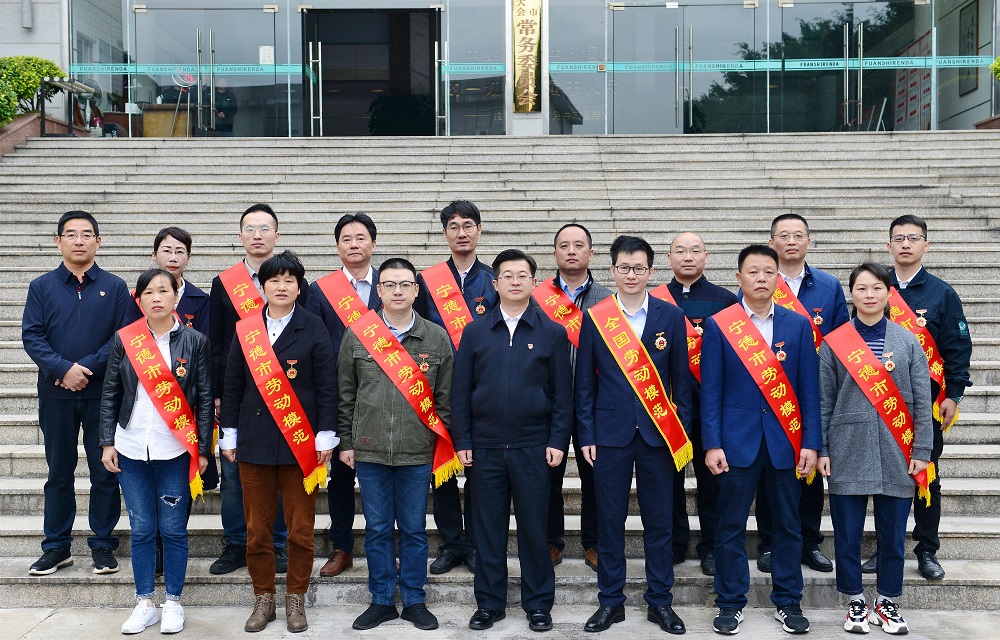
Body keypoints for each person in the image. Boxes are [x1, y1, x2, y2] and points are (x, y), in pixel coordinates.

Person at [701, 244, 820, 635]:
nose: (762, 279)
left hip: (785, 441)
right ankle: (730, 602)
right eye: (753, 272)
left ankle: (788, 601)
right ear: (739, 278)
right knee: (730, 525)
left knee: (788, 524)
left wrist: (811, 443)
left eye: (769, 272)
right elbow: (711, 390)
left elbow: (809, 391)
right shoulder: (721, 325)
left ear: (778, 279)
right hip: (736, 443)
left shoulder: (797, 325)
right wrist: (712, 443)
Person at [576, 235, 693, 635]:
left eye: (639, 268)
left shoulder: (670, 316)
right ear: (612, 270)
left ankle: (660, 601)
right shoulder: (597, 317)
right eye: (624, 268)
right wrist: (586, 433)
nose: (631, 275)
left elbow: (682, 382)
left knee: (660, 522)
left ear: (651, 271)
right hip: (609, 435)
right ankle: (611, 601)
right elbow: (584, 383)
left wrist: (682, 433)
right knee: (610, 521)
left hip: (659, 436)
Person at [452, 249, 572, 633]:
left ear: (535, 282)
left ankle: (538, 604)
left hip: (533, 447)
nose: (515, 281)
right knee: (488, 532)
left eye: (523, 275)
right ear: (495, 283)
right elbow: (460, 392)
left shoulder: (552, 333)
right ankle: (489, 604)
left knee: (535, 531)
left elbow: (562, 396)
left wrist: (558, 440)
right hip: (485, 449)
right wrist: (463, 440)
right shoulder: (475, 332)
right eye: (508, 275)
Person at [219, 250, 336, 633]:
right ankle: (264, 597)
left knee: (300, 530)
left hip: (300, 445)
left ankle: (295, 598)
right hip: (254, 444)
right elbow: (233, 385)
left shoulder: (312, 326)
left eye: (289, 280)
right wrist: (229, 432)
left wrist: (325, 433)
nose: (282, 286)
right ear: (262, 286)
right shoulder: (247, 329)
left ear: (299, 287)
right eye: (274, 280)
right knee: (257, 530)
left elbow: (327, 386)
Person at [337, 257, 456, 632]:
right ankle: (382, 600)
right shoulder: (358, 334)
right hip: (369, 449)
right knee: (376, 529)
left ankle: (415, 599)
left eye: (405, 284)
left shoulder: (435, 337)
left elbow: (445, 400)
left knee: (414, 529)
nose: (398, 291)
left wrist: (439, 443)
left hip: (417, 451)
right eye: (390, 284)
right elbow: (346, 395)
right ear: (379, 290)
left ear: (416, 290)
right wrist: (346, 441)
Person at [818, 262, 932, 635]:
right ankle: (854, 600)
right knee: (847, 535)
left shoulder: (907, 340)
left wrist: (922, 450)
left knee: (893, 537)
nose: (869, 295)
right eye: (862, 288)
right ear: (851, 294)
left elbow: (921, 401)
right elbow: (823, 401)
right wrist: (822, 449)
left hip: (898, 449)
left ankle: (887, 601)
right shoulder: (835, 342)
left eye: (877, 288)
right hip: (847, 448)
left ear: (888, 293)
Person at [99, 269, 213, 634]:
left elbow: (205, 398)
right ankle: (145, 602)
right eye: (148, 292)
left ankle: (174, 602)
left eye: (164, 290)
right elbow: (111, 392)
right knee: (142, 528)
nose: (156, 297)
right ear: (139, 299)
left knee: (174, 529)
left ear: (176, 296)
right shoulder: (125, 338)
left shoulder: (195, 341)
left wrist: (203, 449)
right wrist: (107, 441)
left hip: (175, 449)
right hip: (131, 446)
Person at [22, 210, 131, 576]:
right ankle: (56, 547)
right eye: (71, 234)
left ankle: (103, 545)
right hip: (56, 395)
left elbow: (122, 337)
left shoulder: (115, 287)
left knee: (104, 472)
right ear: (59, 242)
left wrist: (83, 368)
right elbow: (32, 336)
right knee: (59, 472)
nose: (79, 241)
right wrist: (61, 369)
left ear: (98, 242)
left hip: (103, 395)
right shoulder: (41, 287)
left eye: (87, 234)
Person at [878, 214, 972, 581]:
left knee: (926, 474)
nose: (905, 244)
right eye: (899, 238)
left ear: (926, 245)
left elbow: (957, 347)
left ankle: (927, 549)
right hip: (882, 401)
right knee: (885, 476)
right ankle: (887, 547)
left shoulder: (941, 293)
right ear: (889, 245)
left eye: (913, 238)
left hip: (926, 404)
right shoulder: (876, 287)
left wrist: (954, 394)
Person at [755, 213, 849, 575]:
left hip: (814, 391)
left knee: (809, 467)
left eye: (798, 235)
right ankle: (769, 542)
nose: (791, 241)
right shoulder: (759, 280)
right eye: (783, 235)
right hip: (770, 390)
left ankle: (809, 542)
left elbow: (842, 340)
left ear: (809, 241)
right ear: (772, 242)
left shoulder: (828, 286)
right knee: (769, 469)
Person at [209, 203, 299, 575]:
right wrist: (217, 393)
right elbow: (216, 342)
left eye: (264, 229)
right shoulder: (224, 283)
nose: (257, 235)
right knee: (233, 476)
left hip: (283, 392)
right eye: (250, 228)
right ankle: (236, 543)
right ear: (240, 236)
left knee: (277, 473)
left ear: (277, 236)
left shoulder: (292, 279)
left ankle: (277, 543)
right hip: (239, 393)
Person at [414, 199, 499, 575]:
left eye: (468, 226)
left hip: (485, 389)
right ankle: (451, 542)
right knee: (443, 468)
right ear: (444, 233)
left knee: (481, 470)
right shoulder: (426, 281)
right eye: (453, 226)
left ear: (479, 230)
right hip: (438, 389)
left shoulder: (494, 279)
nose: (461, 233)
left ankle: (478, 542)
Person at [532, 223, 612, 571]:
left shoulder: (608, 299)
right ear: (554, 254)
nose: (571, 251)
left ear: (591, 253)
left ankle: (594, 543)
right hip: (546, 400)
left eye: (579, 245)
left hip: (592, 400)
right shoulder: (536, 298)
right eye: (564, 245)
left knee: (596, 474)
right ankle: (551, 541)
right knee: (546, 474)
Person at [307, 213, 382, 578]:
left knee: (382, 475)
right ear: (337, 246)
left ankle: (384, 546)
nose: (354, 244)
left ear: (373, 244)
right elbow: (315, 344)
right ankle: (342, 547)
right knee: (339, 477)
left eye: (361, 238)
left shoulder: (393, 283)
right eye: (347, 239)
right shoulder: (320, 291)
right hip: (339, 398)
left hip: (385, 395)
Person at [659, 231, 738, 577]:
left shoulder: (726, 300)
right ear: (668, 259)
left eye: (695, 251)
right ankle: (674, 543)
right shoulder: (654, 300)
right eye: (680, 251)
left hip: (711, 408)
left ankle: (712, 546)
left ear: (707, 256)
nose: (687, 257)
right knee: (668, 481)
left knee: (713, 481)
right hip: (669, 407)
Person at [123, 227, 211, 336]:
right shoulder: (139, 296)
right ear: (154, 255)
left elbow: (205, 341)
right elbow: (128, 337)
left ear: (188, 258)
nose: (173, 258)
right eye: (166, 251)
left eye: (179, 252)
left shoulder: (200, 299)